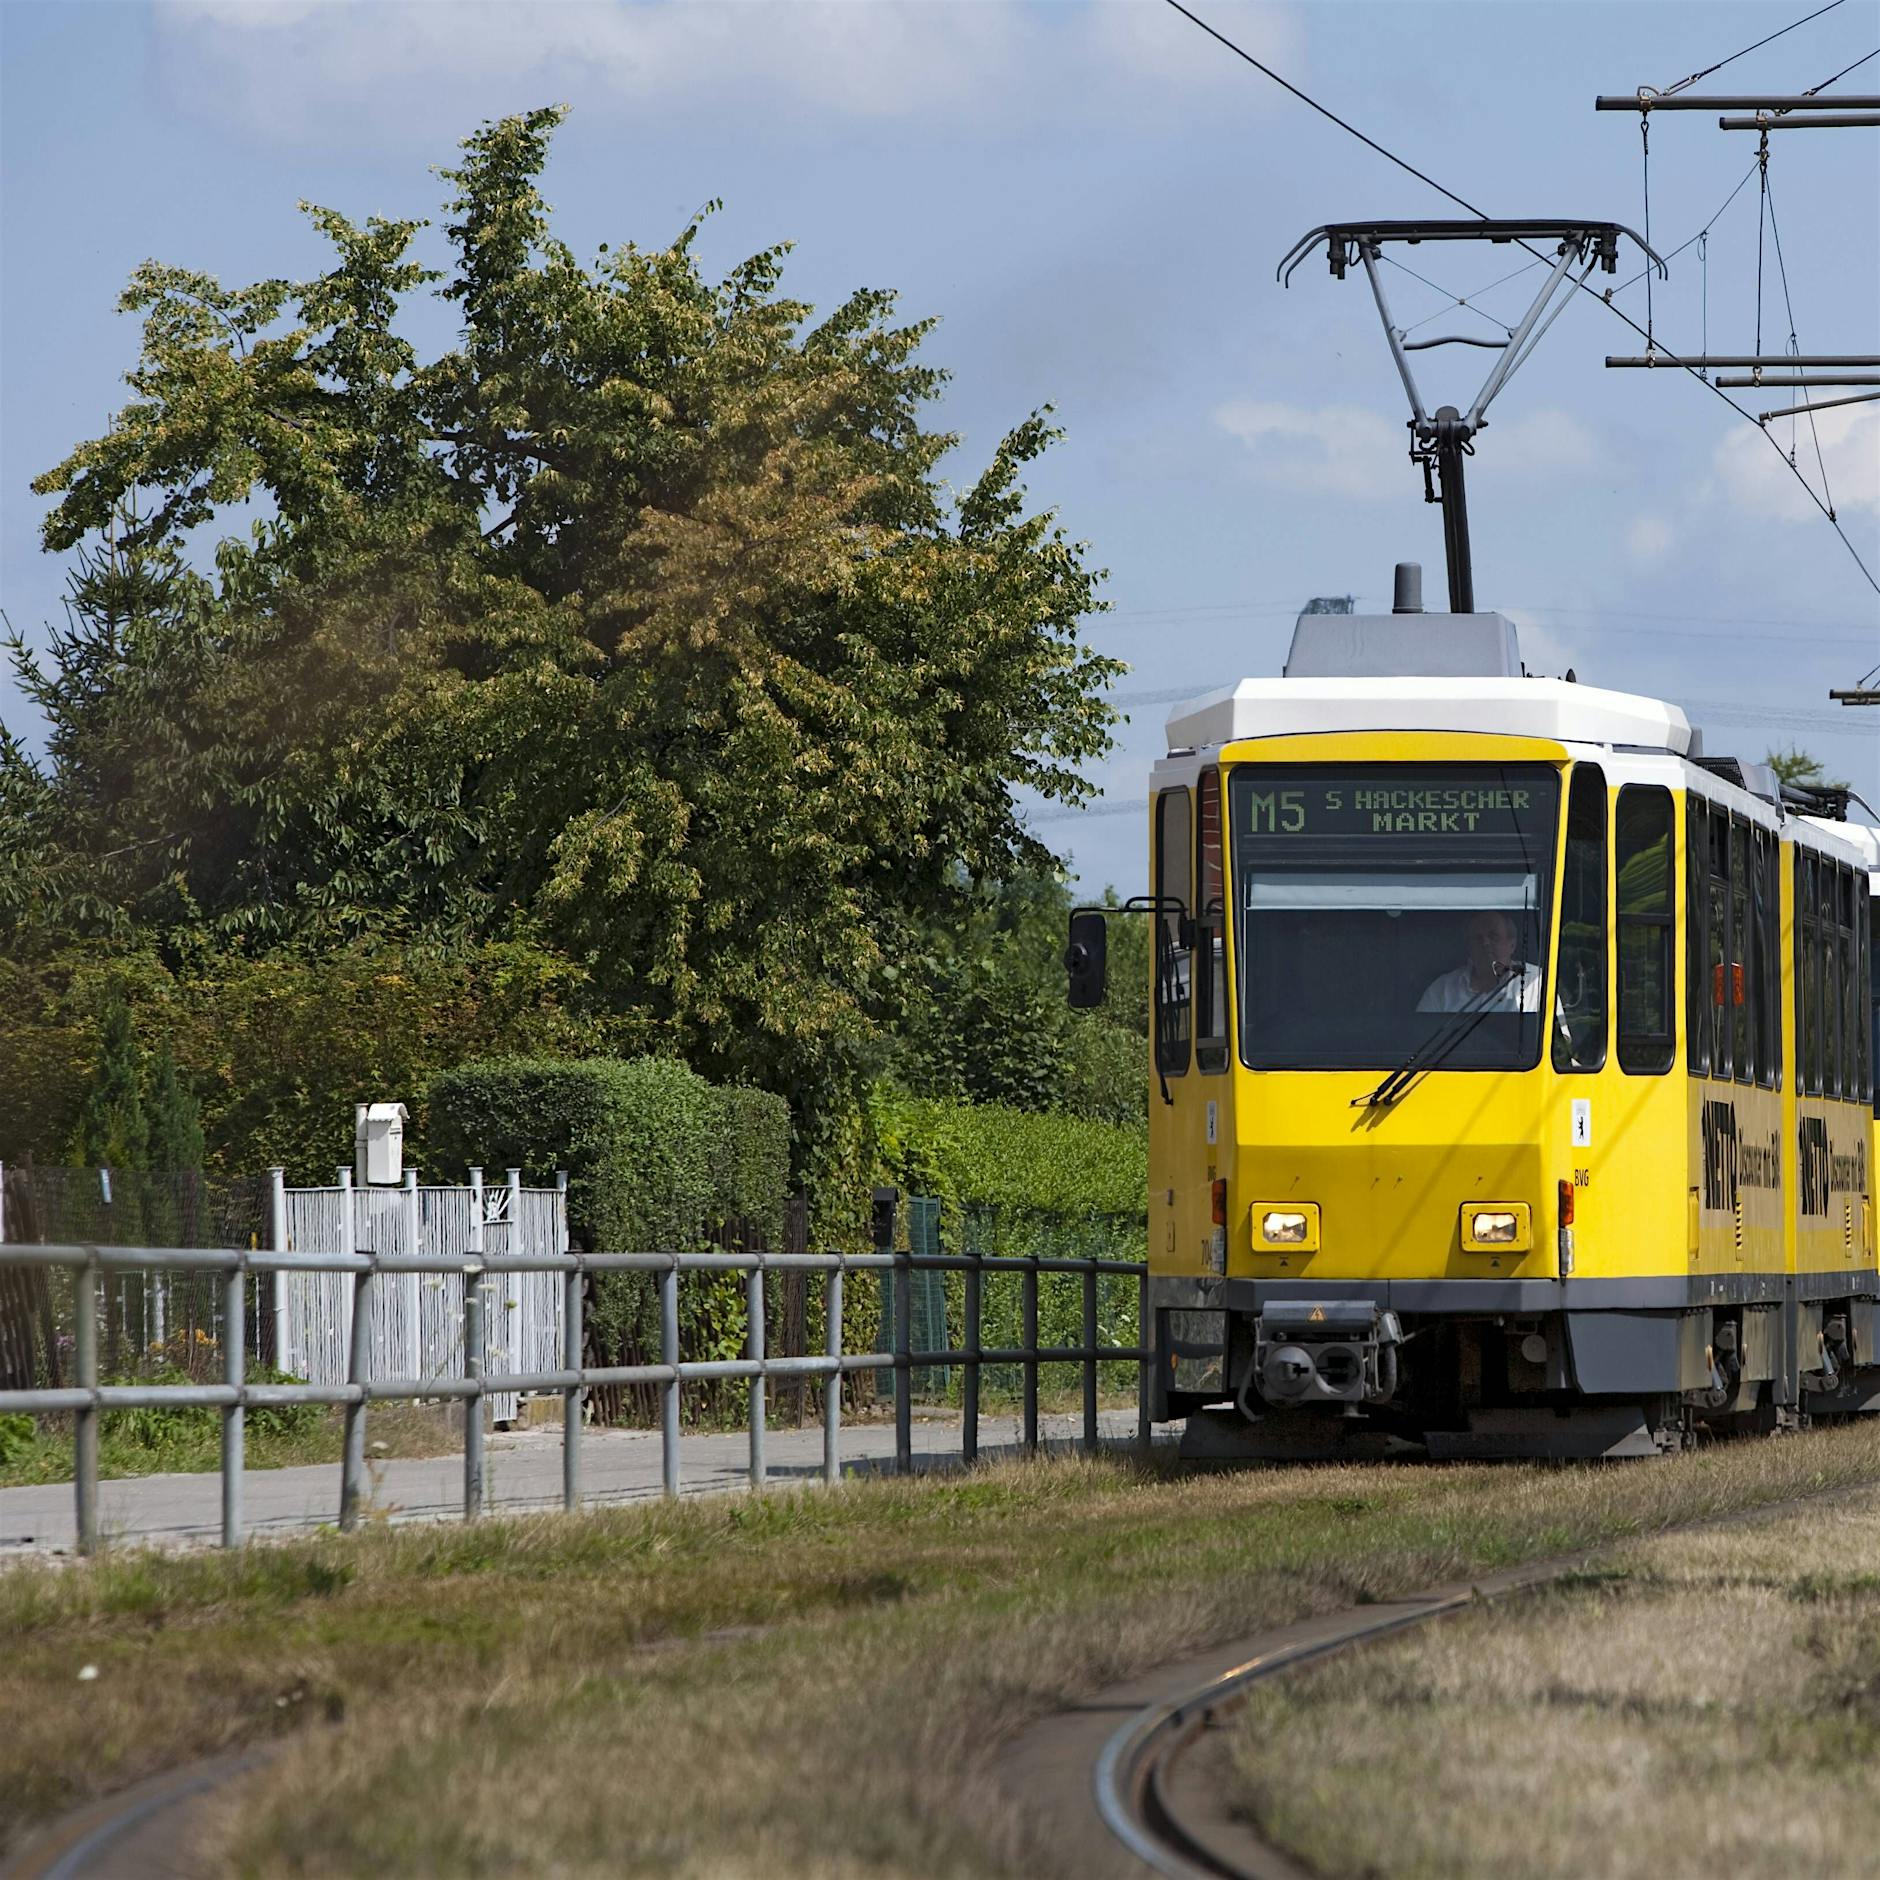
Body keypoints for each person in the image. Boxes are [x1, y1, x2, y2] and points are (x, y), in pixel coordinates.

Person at [1418, 909, 1542, 1013]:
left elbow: (1559, 1035)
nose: (1485, 943)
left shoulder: (1537, 982)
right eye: (1477, 938)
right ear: (1469, 947)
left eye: (1493, 936)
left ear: (1512, 944)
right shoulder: (1441, 990)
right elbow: (1419, 1036)